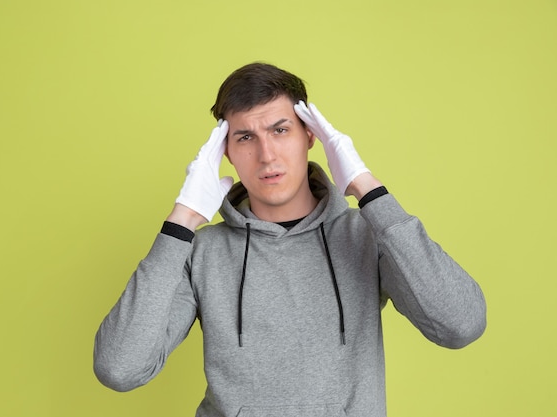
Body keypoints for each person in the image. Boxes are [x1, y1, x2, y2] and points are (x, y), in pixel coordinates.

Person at [93, 62, 487, 417]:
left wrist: (368, 188)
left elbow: (460, 324)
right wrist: (182, 220)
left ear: (310, 137)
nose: (267, 155)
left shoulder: (367, 235)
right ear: (225, 152)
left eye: (280, 130)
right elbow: (120, 368)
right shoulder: (202, 252)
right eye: (245, 137)